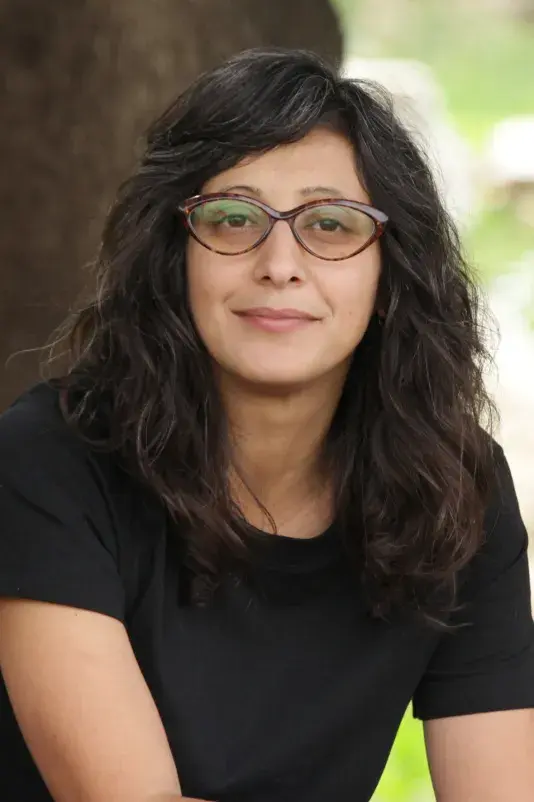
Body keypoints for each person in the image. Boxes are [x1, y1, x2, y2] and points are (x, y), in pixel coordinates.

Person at [0, 47, 533, 802]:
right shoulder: (47, 462)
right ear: (173, 256)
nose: (279, 262)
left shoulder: (455, 486)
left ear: (389, 275)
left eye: (331, 224)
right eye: (232, 218)